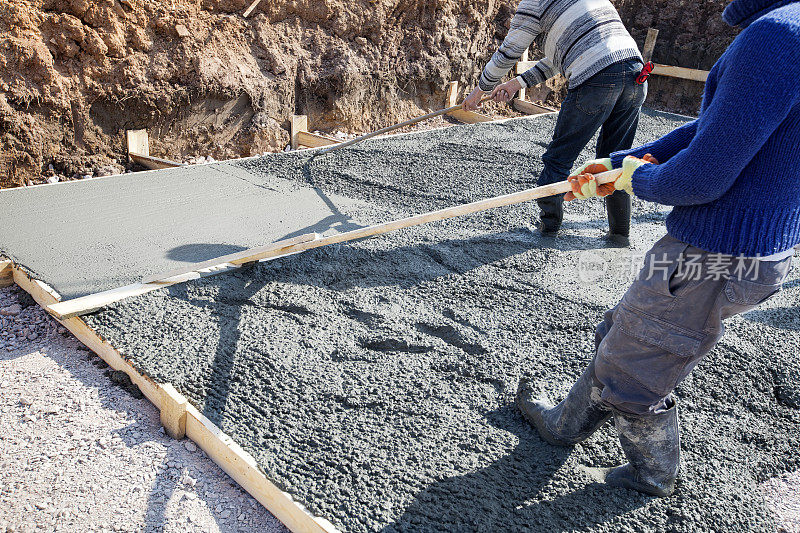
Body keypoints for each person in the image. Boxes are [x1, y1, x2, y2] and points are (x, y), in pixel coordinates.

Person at [516, 0, 800, 497]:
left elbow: (702, 176)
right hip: (751, 248)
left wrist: (635, 177)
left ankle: (653, 474)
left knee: (637, 363)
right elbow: (714, 130)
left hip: (712, 252)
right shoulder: (787, 30)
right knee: (629, 326)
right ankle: (565, 424)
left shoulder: (777, 37)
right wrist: (621, 160)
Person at [462, 0, 648, 246]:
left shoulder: (535, 3)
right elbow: (563, 57)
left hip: (597, 80)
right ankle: (620, 234)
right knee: (615, 159)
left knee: (558, 160)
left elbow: (509, 52)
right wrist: (516, 83)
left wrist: (479, 90)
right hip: (636, 75)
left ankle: (548, 229)